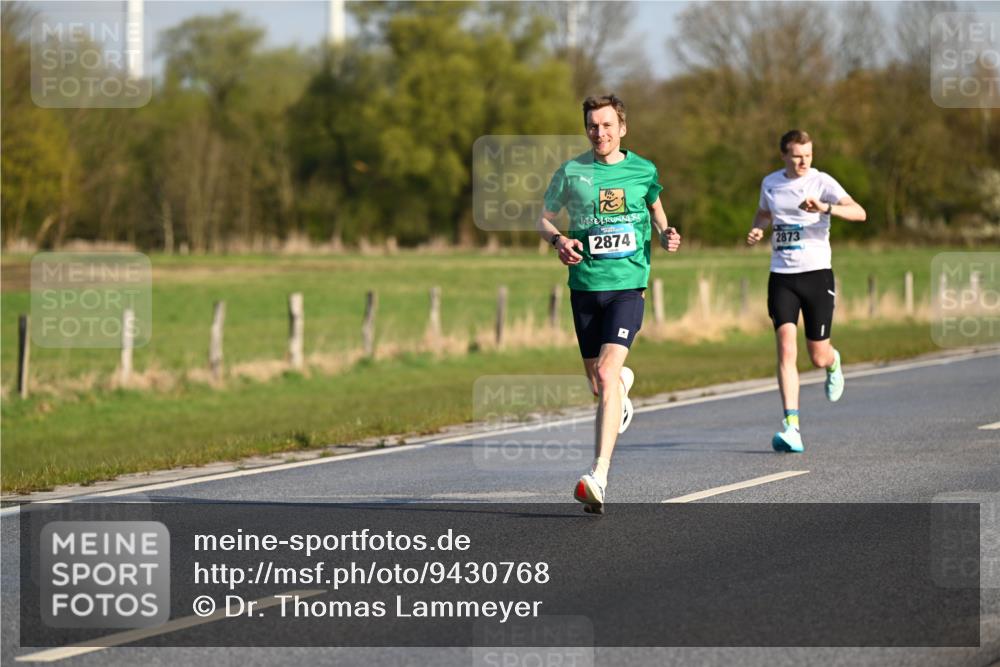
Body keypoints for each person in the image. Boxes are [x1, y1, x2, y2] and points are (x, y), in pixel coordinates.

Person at [537, 94, 681, 513]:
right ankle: (620, 388)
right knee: (598, 383)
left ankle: (598, 475)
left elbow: (657, 210)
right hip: (584, 287)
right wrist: (559, 241)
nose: (599, 133)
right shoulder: (571, 172)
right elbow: (542, 218)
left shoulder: (643, 170)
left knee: (605, 371)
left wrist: (666, 233)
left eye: (606, 125)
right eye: (592, 126)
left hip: (627, 286)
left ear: (622, 128)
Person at [746, 130, 867, 452]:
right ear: (784, 155)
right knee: (786, 349)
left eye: (808, 155)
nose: (803, 162)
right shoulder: (771, 183)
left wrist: (826, 208)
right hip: (782, 276)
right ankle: (792, 427)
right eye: (797, 156)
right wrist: (758, 228)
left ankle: (833, 362)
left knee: (817, 356)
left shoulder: (821, 181)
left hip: (817, 275)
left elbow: (859, 212)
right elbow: (764, 212)